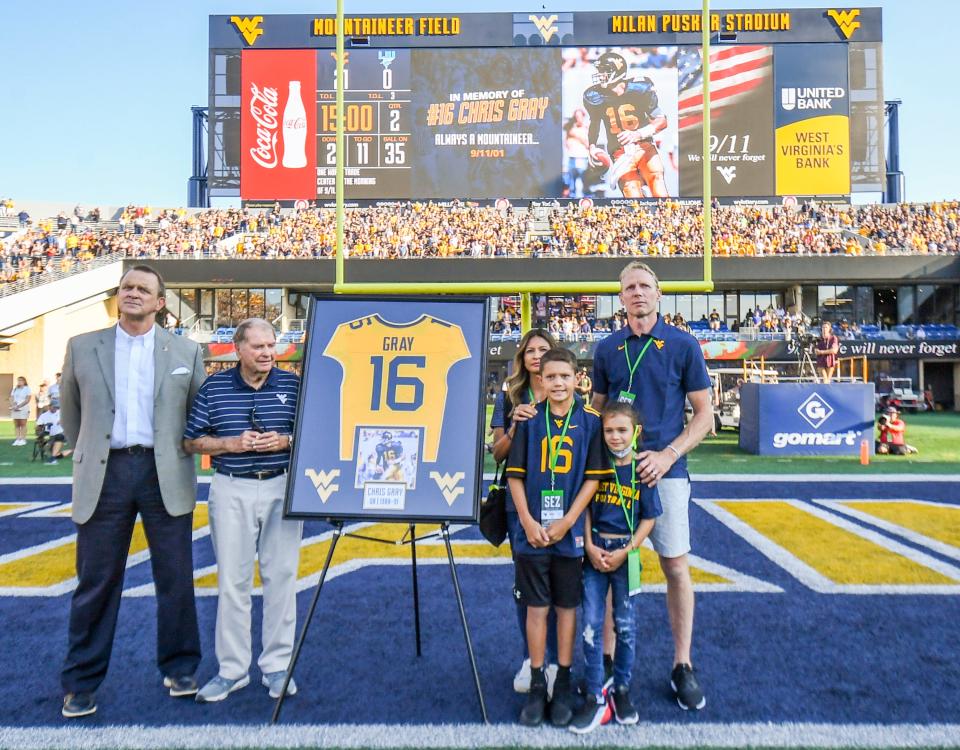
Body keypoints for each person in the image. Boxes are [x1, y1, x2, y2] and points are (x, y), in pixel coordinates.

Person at [59, 265, 207, 718]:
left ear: (161, 302)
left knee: (176, 577)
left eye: (144, 289)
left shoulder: (186, 350)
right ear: (118, 296)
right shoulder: (83, 346)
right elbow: (71, 415)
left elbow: (196, 412)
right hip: (107, 474)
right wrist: (94, 453)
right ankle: (81, 682)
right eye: (127, 287)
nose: (134, 293)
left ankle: (180, 668)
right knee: (97, 582)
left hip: (166, 473)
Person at [591, 260, 713, 711]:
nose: (637, 293)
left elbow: (705, 415)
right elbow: (596, 411)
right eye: (629, 287)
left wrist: (668, 456)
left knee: (676, 567)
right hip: (616, 475)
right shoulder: (607, 349)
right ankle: (605, 660)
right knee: (607, 566)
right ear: (620, 297)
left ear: (659, 294)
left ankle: (682, 663)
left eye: (645, 286)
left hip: (666, 471)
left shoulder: (683, 345)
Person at [184, 318, 302, 703]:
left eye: (271, 345)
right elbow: (191, 442)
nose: (267, 352)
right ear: (238, 349)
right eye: (258, 346)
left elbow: (313, 433)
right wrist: (232, 443)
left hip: (281, 484)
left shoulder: (292, 383)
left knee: (281, 577)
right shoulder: (215, 386)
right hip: (231, 485)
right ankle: (233, 670)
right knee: (232, 582)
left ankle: (277, 666)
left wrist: (283, 440)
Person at [506, 347, 609, 727]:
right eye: (551, 377)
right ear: (541, 380)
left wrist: (568, 520)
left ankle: (562, 680)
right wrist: (528, 522)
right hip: (531, 531)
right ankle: (538, 681)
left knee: (567, 607)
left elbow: (593, 478)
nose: (559, 383)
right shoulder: (531, 421)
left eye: (565, 376)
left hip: (568, 534)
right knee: (537, 608)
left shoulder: (591, 421)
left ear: (577, 378)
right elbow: (514, 476)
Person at [570, 402, 661, 734]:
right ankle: (595, 692)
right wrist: (590, 545)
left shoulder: (643, 470)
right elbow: (587, 509)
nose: (615, 436)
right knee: (591, 625)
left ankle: (621, 687)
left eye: (622, 430)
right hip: (596, 552)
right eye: (609, 430)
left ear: (635, 432)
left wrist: (627, 550)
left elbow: (649, 518)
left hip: (626, 554)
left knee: (625, 625)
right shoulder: (598, 466)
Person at [489, 328, 560, 696]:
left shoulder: (565, 393)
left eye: (543, 349)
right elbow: (497, 452)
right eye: (529, 350)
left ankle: (556, 661)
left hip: (559, 498)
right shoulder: (510, 396)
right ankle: (530, 659)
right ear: (522, 357)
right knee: (525, 584)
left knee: (560, 582)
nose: (536, 355)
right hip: (520, 502)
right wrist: (516, 424)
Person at [584, 51, 669, 198]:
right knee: (632, 194)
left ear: (616, 71)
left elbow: (662, 121)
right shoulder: (595, 96)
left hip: (644, 146)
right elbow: (595, 123)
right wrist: (591, 146)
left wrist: (637, 134)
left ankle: (668, 219)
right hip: (619, 151)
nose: (600, 75)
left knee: (657, 183)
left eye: (604, 71)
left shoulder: (639, 88)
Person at [9, 376, 31, 446]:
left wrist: (19, 406)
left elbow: (27, 400)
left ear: (24, 381)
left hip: (23, 408)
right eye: (18, 380)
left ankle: (23, 439)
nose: (19, 382)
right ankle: (18, 439)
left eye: (21, 380)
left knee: (23, 423)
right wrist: (13, 405)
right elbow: (11, 397)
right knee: (16, 424)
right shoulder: (15, 389)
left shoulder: (27, 389)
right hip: (15, 408)